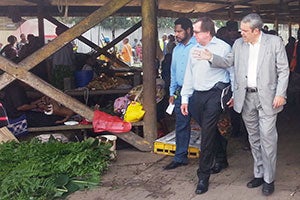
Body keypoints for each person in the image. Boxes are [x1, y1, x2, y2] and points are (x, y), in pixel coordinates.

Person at [197, 13, 289, 196]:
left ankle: (269, 179)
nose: (241, 33)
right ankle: (259, 173)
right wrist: (210, 57)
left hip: (269, 98)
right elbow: (227, 62)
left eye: (245, 30)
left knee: (268, 139)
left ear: (257, 30)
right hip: (246, 98)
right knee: (253, 138)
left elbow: (284, 70)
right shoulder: (239, 44)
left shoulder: (274, 42)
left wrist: (281, 93)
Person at [180, 17, 233, 195]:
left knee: (206, 134)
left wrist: (233, 94)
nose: (193, 34)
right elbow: (189, 73)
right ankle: (221, 157)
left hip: (215, 93)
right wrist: (185, 98)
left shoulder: (223, 47)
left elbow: (232, 70)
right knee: (209, 130)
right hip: (197, 95)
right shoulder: (193, 49)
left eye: (196, 31)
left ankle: (203, 176)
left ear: (208, 33)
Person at [163, 17, 197, 170]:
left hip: (197, 92)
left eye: (179, 31)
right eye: (175, 31)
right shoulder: (176, 49)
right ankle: (180, 157)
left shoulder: (198, 47)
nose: (176, 34)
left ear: (188, 30)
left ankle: (217, 157)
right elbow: (173, 72)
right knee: (181, 125)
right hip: (180, 92)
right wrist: (172, 92)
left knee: (207, 125)